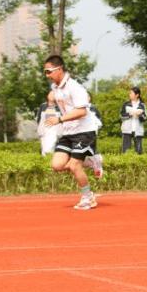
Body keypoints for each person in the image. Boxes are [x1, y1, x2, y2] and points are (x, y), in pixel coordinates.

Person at [42, 55, 104, 210]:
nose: (47, 75)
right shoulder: (56, 88)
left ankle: (88, 197)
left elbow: (82, 111)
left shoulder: (75, 87)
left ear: (59, 69)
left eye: (49, 71)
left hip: (84, 131)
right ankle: (92, 161)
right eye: (45, 72)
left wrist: (59, 119)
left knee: (74, 165)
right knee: (57, 165)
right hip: (69, 131)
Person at [120, 87, 147, 154]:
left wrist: (140, 115)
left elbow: (145, 118)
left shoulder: (142, 105)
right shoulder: (126, 104)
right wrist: (130, 114)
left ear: (137, 95)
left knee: (138, 151)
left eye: (131, 93)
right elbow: (121, 116)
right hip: (127, 130)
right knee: (125, 151)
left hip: (138, 130)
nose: (129, 94)